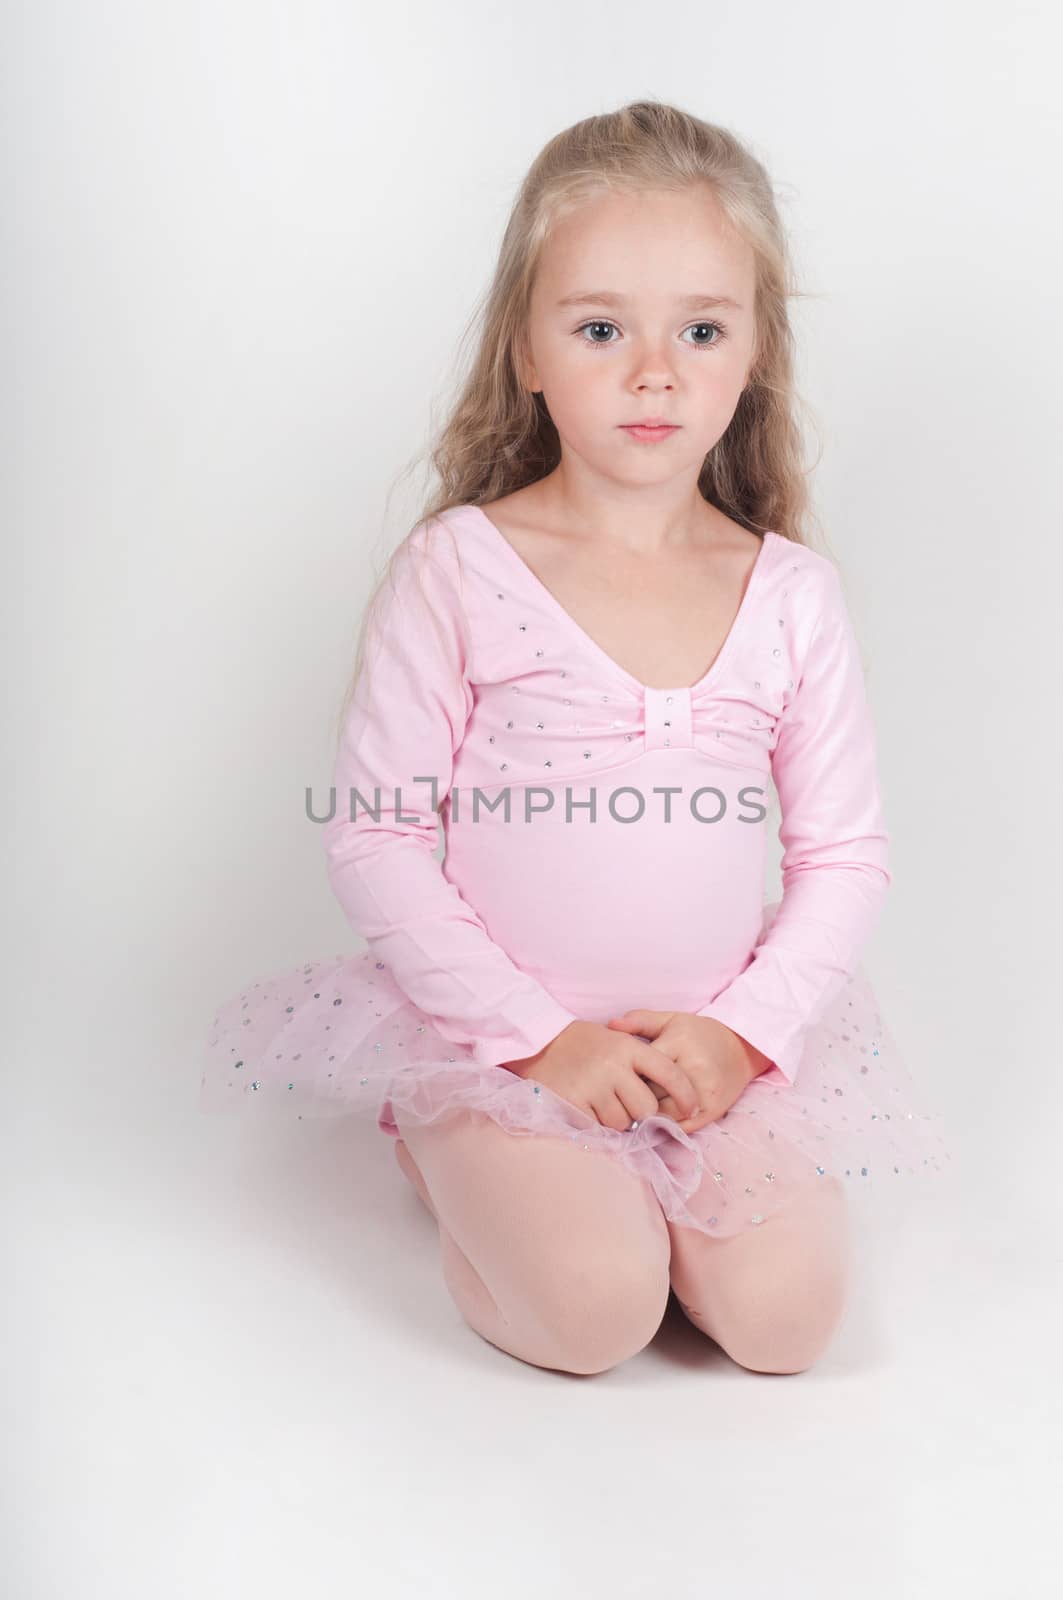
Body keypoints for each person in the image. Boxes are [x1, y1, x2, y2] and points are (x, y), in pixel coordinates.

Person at [200, 99, 951, 1377]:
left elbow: (843, 856)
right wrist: (539, 1041)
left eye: (700, 330)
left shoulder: (790, 595)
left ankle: (633, 1175)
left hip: (708, 1051)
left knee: (784, 1327)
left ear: (754, 353)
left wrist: (741, 1033)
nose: (653, 370)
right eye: (601, 327)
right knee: (600, 1313)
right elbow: (380, 837)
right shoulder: (462, 568)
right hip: (510, 1041)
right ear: (527, 351)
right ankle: (449, 1147)